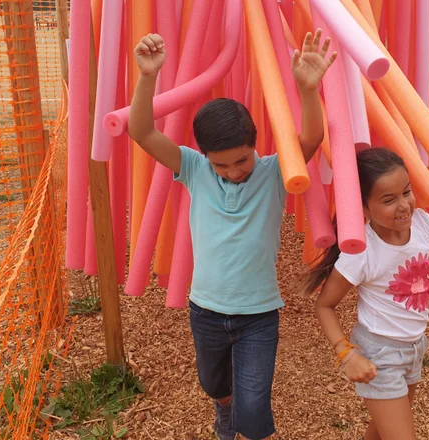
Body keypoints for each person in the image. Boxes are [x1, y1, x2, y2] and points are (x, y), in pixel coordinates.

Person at [130, 30, 337, 440]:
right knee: (215, 386)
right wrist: (148, 76)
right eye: (222, 166)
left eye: (241, 160)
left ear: (253, 144)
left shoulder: (275, 173)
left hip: (258, 315)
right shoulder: (193, 168)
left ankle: (244, 426)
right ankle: (223, 411)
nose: (234, 171)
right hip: (205, 310)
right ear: (205, 157)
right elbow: (141, 132)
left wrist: (308, 90)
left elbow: (311, 138)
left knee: (255, 406)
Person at [302, 148, 429, 440]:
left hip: (415, 347)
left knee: (381, 430)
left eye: (406, 192)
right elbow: (325, 306)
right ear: (363, 209)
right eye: (388, 200)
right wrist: (346, 352)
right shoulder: (362, 252)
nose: (403, 205)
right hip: (379, 354)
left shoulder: (424, 224)